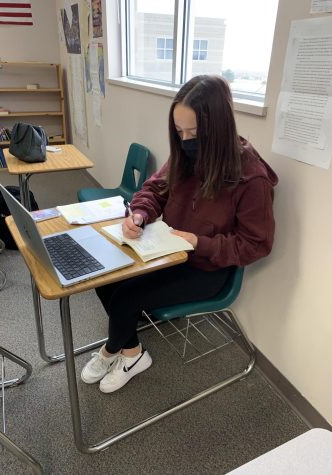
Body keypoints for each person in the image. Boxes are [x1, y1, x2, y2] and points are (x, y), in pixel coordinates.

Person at [81, 75, 278, 394]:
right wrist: (140, 214)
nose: (186, 141)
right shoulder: (186, 155)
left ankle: (111, 350)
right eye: (179, 132)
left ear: (218, 129)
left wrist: (201, 242)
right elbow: (155, 189)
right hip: (167, 251)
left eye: (194, 133)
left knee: (126, 298)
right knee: (104, 278)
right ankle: (131, 353)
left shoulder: (250, 178)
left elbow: (256, 244)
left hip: (208, 268)